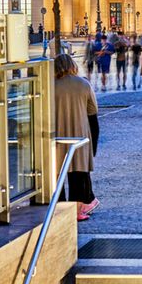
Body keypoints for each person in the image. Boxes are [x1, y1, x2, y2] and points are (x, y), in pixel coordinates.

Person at [54, 54, 99, 222]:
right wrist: (93, 144)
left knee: (56, 175)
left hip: (57, 136)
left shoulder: (50, 86)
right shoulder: (83, 84)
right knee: (78, 175)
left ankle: (59, 209)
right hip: (80, 134)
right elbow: (92, 114)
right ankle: (77, 211)